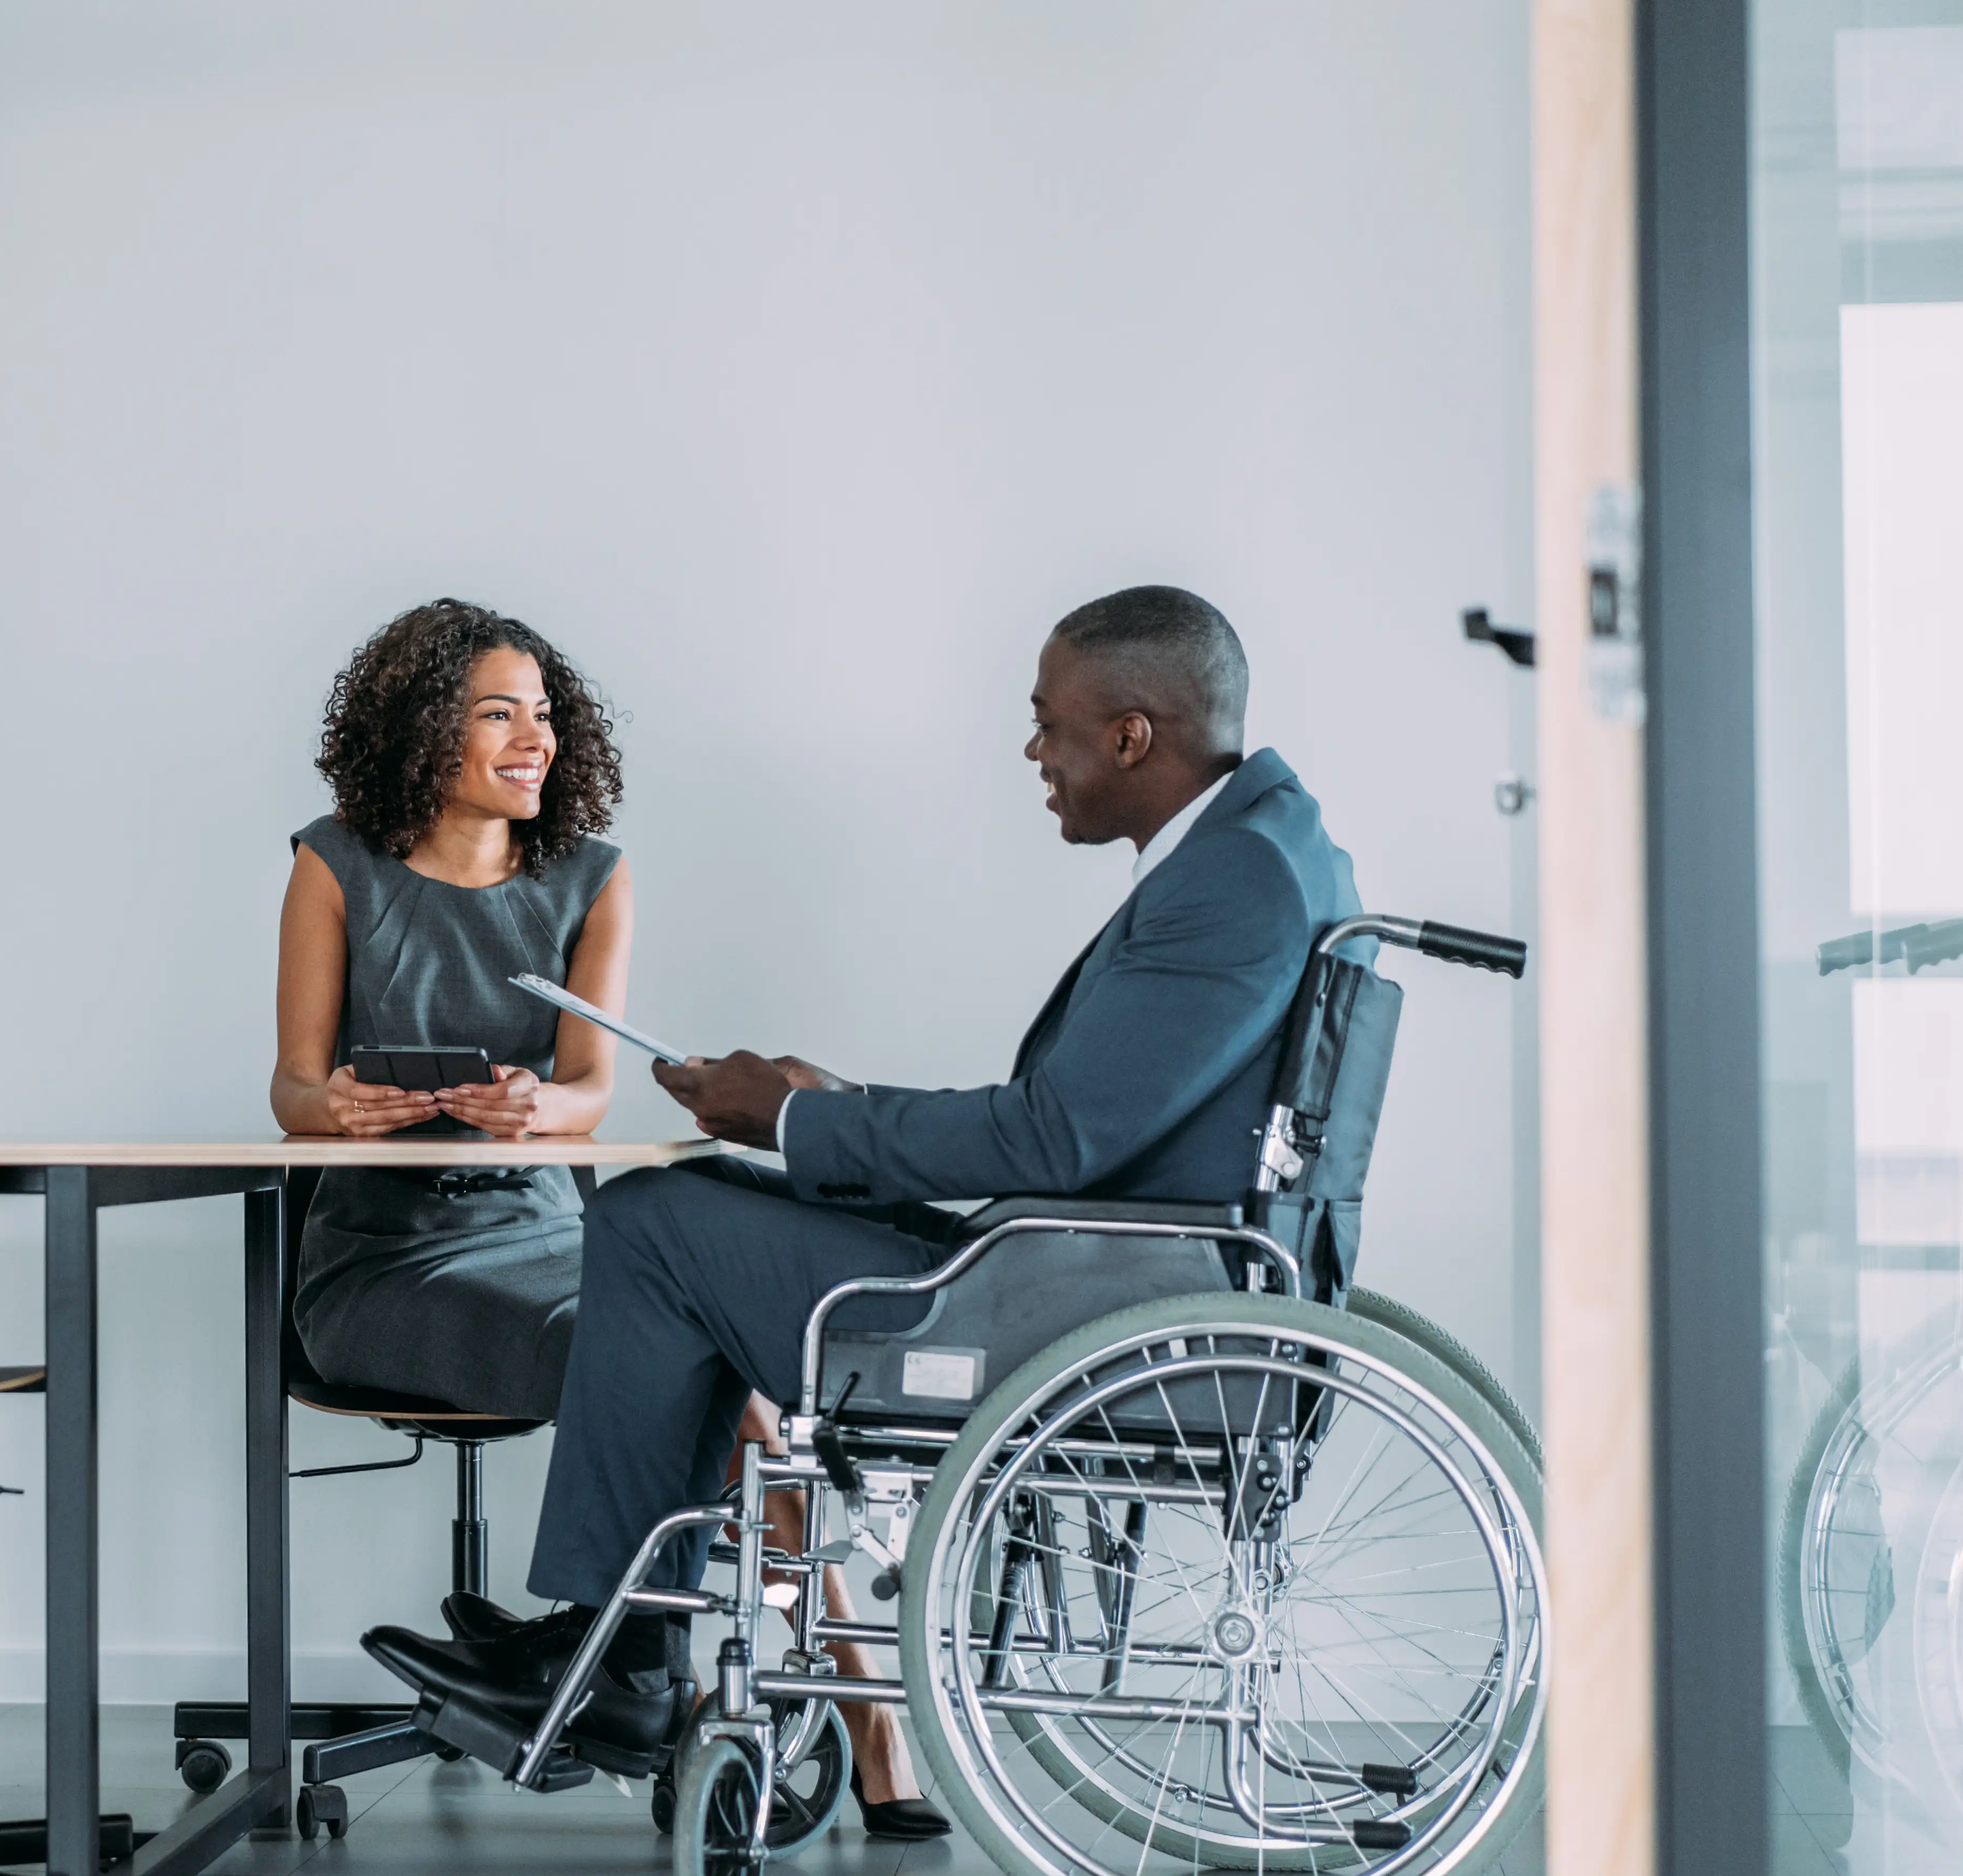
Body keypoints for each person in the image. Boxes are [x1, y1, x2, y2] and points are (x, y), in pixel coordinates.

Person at [360, 584, 1365, 1791]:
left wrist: (797, 1118)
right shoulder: (1275, 848)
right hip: (1098, 1268)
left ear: (1131, 735)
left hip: (1083, 1308)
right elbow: (1087, 1122)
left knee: (653, 1220)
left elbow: (1054, 1139)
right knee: (712, 1187)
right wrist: (820, 1105)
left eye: (1046, 723)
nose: (1033, 751)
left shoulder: (1233, 878)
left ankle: (623, 1657)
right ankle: (623, 1647)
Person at [270, 598, 630, 1421]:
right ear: (424, 733)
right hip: (383, 1262)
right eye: (498, 715)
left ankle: (787, 1515)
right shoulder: (334, 861)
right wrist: (332, 1105)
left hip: (551, 1235)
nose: (535, 740)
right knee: (632, 1351)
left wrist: (537, 1105)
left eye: (542, 714)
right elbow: (291, 1087)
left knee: (708, 1337)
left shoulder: (595, 878)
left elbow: (589, 1088)